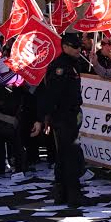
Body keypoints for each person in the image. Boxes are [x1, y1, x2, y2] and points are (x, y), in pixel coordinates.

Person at [35, 33, 88, 207]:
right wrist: (45, 118)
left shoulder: (74, 64)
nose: (78, 50)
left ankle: (64, 192)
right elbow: (52, 95)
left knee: (66, 154)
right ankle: (72, 193)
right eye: (75, 47)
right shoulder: (60, 67)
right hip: (63, 115)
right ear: (65, 47)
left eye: (79, 46)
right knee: (70, 155)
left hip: (70, 114)